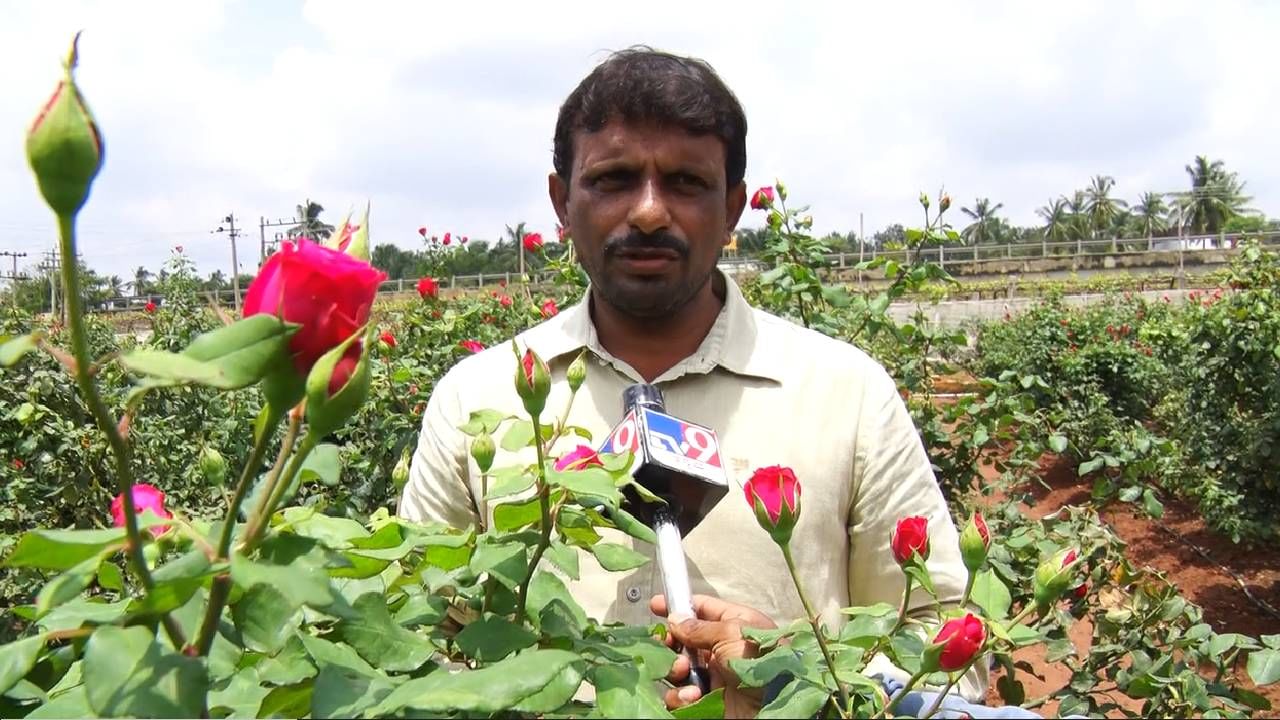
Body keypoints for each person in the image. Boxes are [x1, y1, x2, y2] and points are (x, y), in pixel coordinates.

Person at [397, 46, 987, 715]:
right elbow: (414, 644)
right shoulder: (481, 398)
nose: (649, 212)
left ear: (733, 207)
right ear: (562, 202)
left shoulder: (846, 397)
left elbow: (948, 664)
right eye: (614, 179)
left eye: (685, 183)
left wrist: (801, 684)